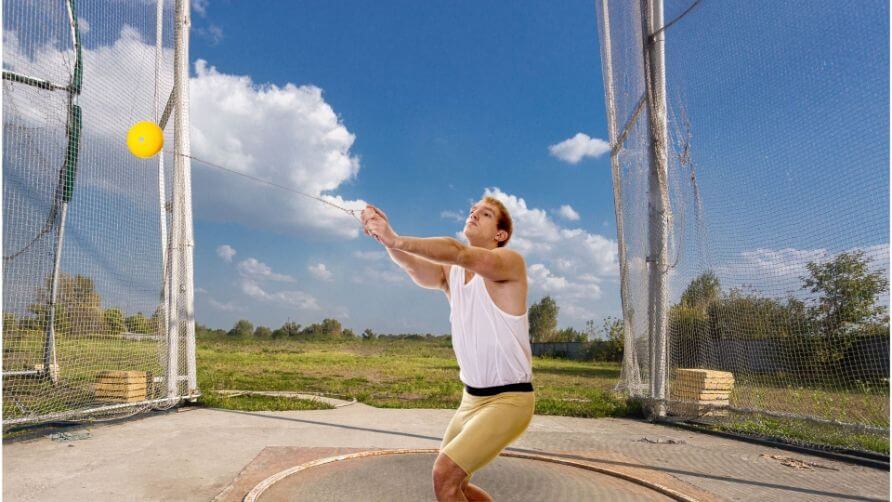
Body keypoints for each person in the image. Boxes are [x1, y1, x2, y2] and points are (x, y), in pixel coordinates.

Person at [361, 196, 534, 501]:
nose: (474, 214)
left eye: (485, 214)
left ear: (500, 234)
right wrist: (385, 237)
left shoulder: (509, 263)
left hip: (509, 399)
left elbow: (457, 251)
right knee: (457, 485)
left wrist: (396, 238)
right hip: (471, 400)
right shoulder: (450, 273)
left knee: (444, 476)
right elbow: (413, 266)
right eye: (472, 211)